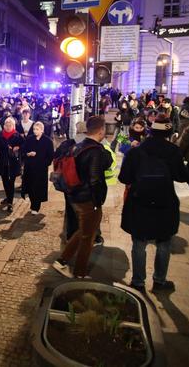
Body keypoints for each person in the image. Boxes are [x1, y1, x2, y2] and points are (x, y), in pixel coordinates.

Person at [119, 116, 189, 292]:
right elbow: (182, 176)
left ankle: (138, 282)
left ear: (150, 130)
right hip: (165, 202)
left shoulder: (137, 151)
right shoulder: (173, 151)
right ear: (168, 132)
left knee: (139, 243)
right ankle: (159, 281)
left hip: (139, 202)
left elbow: (124, 177)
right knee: (164, 242)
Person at [54, 116, 112, 278]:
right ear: (101, 131)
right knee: (88, 237)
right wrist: (97, 201)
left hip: (75, 195)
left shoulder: (77, 147)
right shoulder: (95, 150)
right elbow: (95, 178)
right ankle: (79, 273)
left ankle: (62, 261)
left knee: (84, 230)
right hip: (88, 200)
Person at [22, 121, 54, 213]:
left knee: (38, 188)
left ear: (42, 130)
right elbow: (24, 150)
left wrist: (43, 162)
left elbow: (50, 155)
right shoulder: (29, 139)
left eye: (37, 129)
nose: (35, 131)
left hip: (41, 169)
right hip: (30, 167)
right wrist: (27, 154)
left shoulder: (47, 141)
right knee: (31, 187)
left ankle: (36, 207)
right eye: (34, 129)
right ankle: (33, 205)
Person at [0, 117, 24, 213]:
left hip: (13, 163)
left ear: (13, 126)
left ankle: (10, 203)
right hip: (3, 163)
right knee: (5, 182)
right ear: (3, 126)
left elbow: (25, 146)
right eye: (6, 125)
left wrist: (18, 147)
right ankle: (8, 197)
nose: (8, 127)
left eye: (10, 125)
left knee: (11, 183)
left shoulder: (17, 136)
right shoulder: (0, 135)